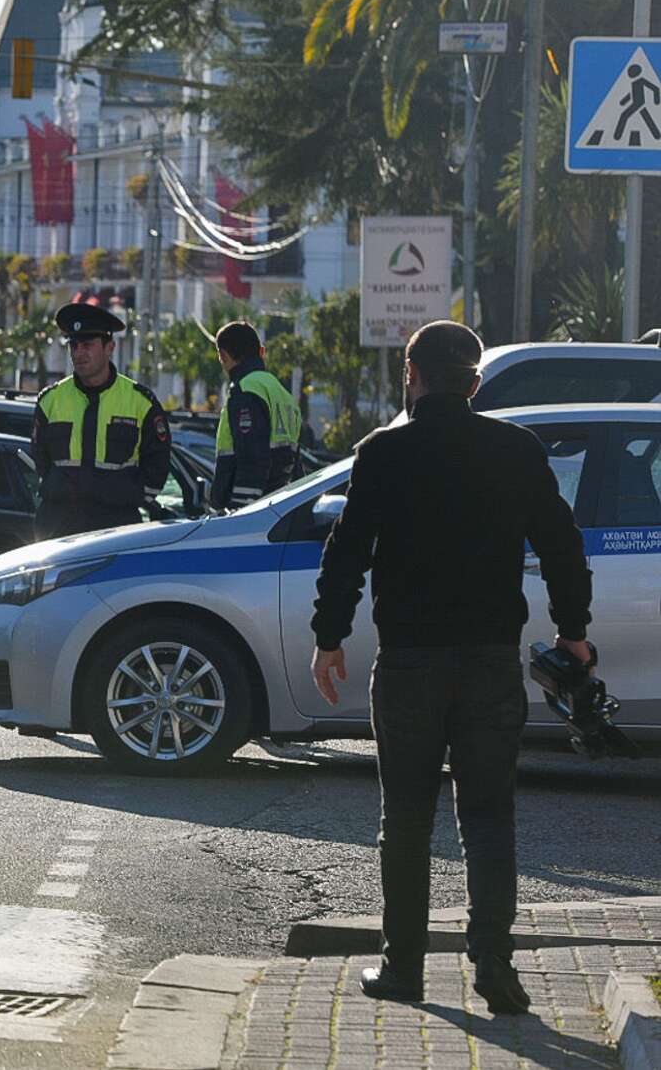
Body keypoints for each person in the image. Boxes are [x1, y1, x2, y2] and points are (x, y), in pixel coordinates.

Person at [310, 321, 592, 1016]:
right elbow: (561, 543)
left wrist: (330, 635)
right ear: (474, 382)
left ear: (412, 374)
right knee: (490, 815)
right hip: (492, 661)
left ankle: (402, 966)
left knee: (405, 816)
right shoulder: (516, 449)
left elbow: (347, 550)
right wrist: (574, 631)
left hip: (408, 662)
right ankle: (493, 964)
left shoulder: (382, 453)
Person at [29, 301, 173, 539]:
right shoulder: (50, 400)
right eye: (73, 345)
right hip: (57, 525)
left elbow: (158, 462)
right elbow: (40, 459)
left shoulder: (140, 401)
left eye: (87, 345)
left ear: (110, 347)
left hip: (115, 525)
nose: (78, 353)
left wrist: (132, 497)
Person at [211, 320, 303, 509]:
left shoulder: (245, 389)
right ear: (261, 352)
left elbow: (251, 458)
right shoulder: (284, 395)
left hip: (252, 512)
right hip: (279, 507)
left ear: (223, 355)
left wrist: (239, 512)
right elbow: (295, 464)